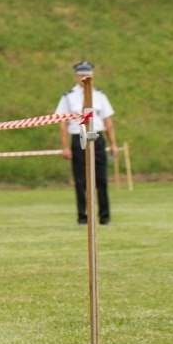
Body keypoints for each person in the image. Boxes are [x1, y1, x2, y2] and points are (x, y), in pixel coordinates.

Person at [55, 61, 118, 225]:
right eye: (82, 75)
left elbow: (107, 121)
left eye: (87, 75)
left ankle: (105, 217)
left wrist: (113, 144)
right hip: (79, 137)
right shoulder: (68, 97)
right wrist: (65, 146)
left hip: (96, 137)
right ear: (76, 76)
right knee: (81, 180)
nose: (84, 78)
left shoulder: (100, 95)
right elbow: (63, 123)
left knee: (101, 179)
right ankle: (83, 217)